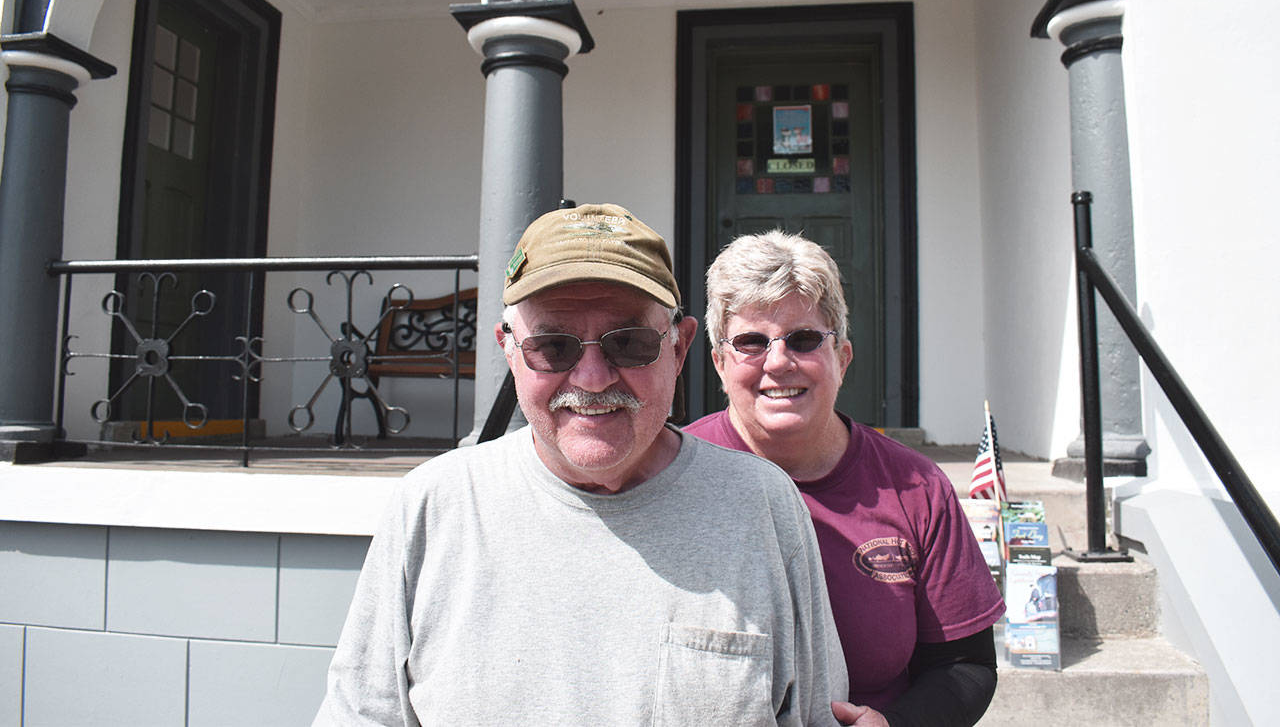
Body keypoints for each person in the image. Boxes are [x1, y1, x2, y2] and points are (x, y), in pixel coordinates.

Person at [315, 204, 848, 726]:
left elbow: (817, 714)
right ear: (510, 350)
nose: (593, 379)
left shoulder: (761, 506)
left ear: (680, 348)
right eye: (553, 347)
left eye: (630, 343)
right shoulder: (433, 507)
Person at [685, 230, 1005, 727]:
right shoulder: (671, 475)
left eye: (804, 338)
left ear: (844, 359)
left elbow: (965, 665)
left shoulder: (915, 488)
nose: (778, 361)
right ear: (719, 364)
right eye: (750, 341)